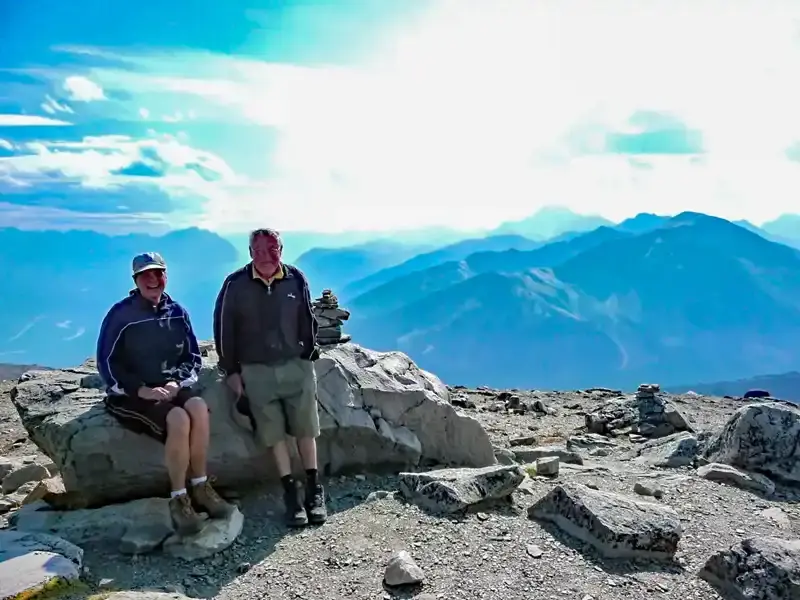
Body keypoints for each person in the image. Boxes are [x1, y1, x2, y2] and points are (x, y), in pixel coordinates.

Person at [97, 251, 235, 535]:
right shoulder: (121, 315)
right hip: (132, 394)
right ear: (135, 280)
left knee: (198, 408)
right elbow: (107, 363)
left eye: (158, 273)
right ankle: (178, 498)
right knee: (179, 420)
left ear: (166, 276)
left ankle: (200, 486)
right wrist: (140, 390)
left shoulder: (177, 312)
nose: (153, 279)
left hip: (169, 386)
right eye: (146, 275)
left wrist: (177, 383)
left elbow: (192, 357)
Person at [213, 228, 326, 527]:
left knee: (306, 428)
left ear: (281, 249)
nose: (266, 255)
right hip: (257, 369)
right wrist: (231, 371)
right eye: (259, 249)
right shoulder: (235, 285)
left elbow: (307, 319)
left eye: (272, 248)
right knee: (272, 433)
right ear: (250, 253)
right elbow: (224, 328)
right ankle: (291, 492)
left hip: (296, 365)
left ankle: (315, 489)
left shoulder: (295, 278)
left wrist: (307, 353)